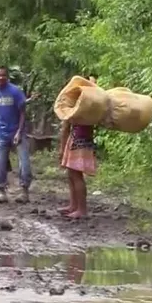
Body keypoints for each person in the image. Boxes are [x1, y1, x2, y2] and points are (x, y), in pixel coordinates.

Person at [0, 66, 32, 203]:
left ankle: (24, 191)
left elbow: (22, 113)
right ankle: (1, 191)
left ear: (7, 76)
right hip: (0, 133)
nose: (0, 77)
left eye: (3, 75)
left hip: (17, 132)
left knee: (24, 163)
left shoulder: (15, 92)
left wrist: (19, 132)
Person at [58, 77, 98, 218]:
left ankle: (81, 209)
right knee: (72, 174)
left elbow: (66, 125)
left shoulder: (82, 105)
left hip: (78, 140)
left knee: (76, 175)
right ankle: (74, 205)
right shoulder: (91, 106)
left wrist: (62, 146)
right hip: (81, 139)